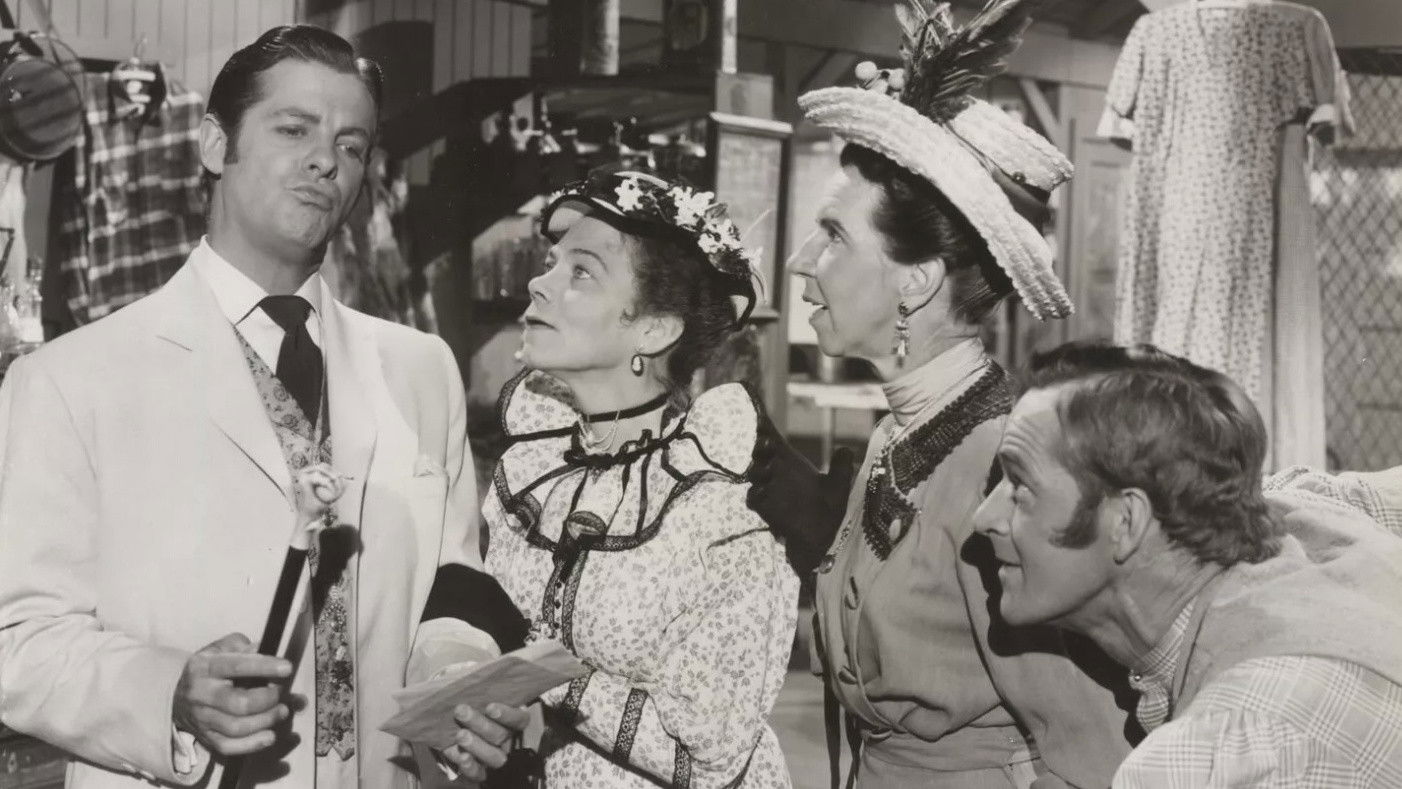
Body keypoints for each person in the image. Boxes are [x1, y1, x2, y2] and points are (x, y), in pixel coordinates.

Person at [0, 25, 519, 788]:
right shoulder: (71, 380)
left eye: (350, 145)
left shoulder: (420, 368)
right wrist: (169, 693)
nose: (325, 160)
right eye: (293, 129)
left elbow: (450, 577)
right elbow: (18, 638)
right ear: (216, 145)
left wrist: (455, 674)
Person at [750, 2, 1134, 787]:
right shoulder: (904, 435)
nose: (801, 261)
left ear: (917, 281)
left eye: (834, 235)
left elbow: (1091, 747)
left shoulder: (1005, 470)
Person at [464, 167, 800, 787]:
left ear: (654, 328)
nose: (538, 283)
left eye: (581, 272)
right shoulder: (537, 473)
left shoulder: (719, 505)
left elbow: (708, 753)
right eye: (551, 263)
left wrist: (545, 670)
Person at [974, 342, 1402, 787]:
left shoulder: (1213, 755)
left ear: (1126, 521)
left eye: (1020, 488)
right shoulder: (1302, 509)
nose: (983, 518)